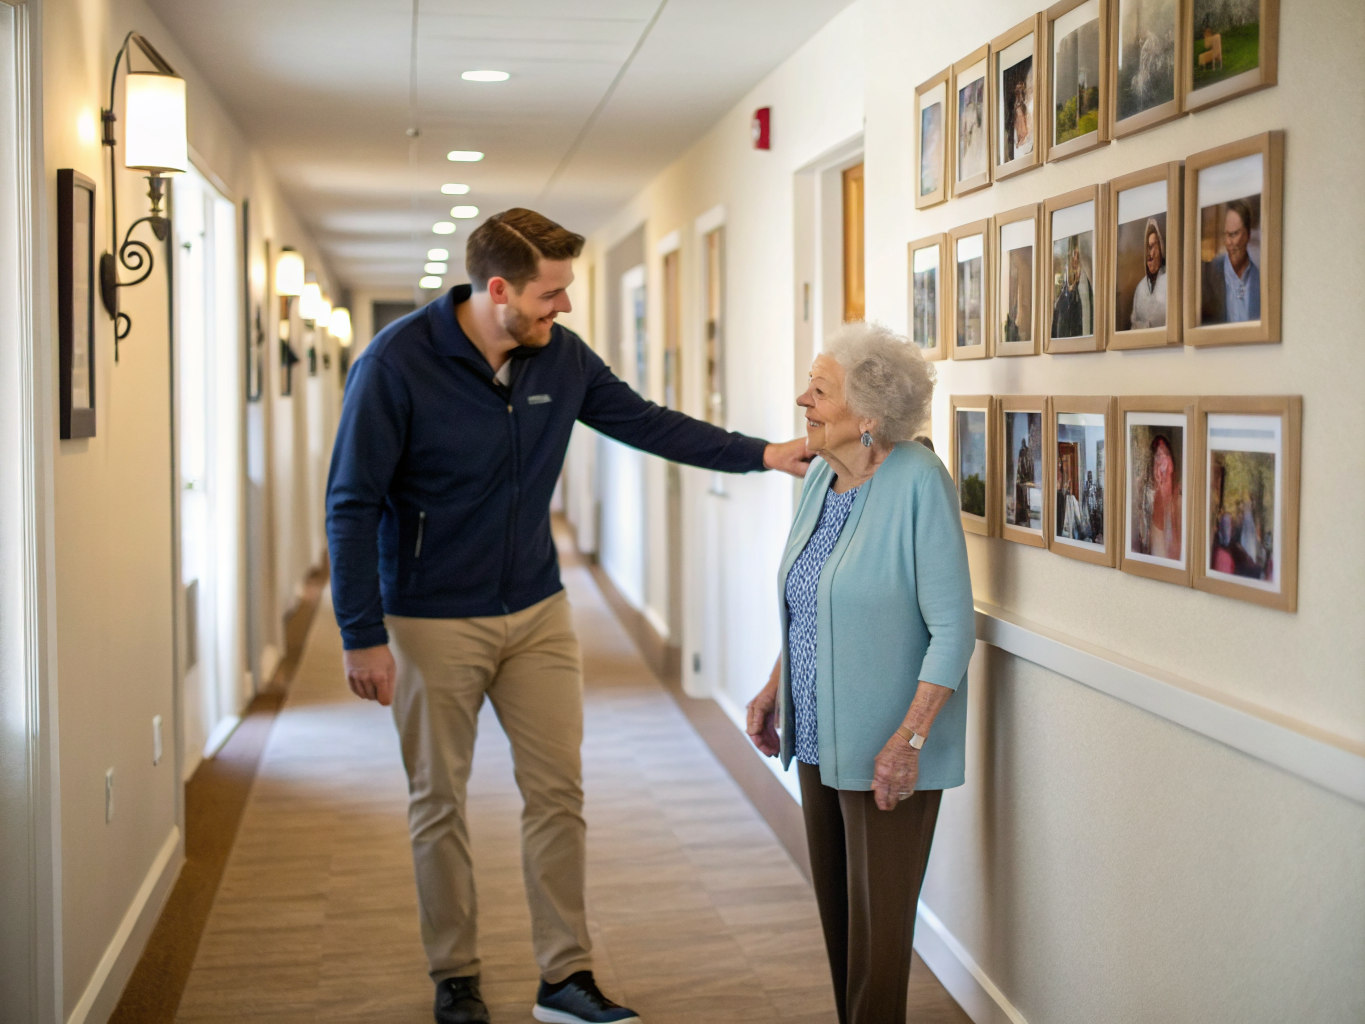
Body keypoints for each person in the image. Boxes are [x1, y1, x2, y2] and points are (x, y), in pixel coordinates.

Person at [326, 208, 811, 1024]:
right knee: (437, 801)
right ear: (498, 289)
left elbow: (646, 421)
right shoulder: (395, 365)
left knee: (558, 794)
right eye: (552, 293)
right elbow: (352, 502)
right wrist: (361, 633)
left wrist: (761, 453)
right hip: (430, 618)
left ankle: (564, 976)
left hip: (539, 611)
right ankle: (456, 977)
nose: (566, 308)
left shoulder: (560, 356)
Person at [743, 321, 976, 1024]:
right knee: (842, 923)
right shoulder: (821, 477)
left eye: (818, 391)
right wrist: (773, 687)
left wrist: (906, 742)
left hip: (885, 749)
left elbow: (952, 631)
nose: (800, 401)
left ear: (868, 415)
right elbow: (813, 599)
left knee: (879, 942)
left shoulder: (917, 483)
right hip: (814, 736)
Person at [1201, 198, 1260, 324]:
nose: (1229, 242)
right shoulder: (1208, 275)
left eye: (1234, 234)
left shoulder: (1260, 279)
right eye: (1226, 235)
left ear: (1247, 234)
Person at [1136, 433, 1181, 560]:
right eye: (1157, 457)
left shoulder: (1181, 496)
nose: (1163, 463)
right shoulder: (1147, 501)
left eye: (1166, 454)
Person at [1129, 218, 1167, 329]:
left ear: (1161, 249)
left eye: (1153, 246)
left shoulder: (1170, 282)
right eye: (1148, 247)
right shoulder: (1140, 288)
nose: (1150, 254)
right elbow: (1133, 325)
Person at [1051, 240, 1093, 338]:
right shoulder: (1064, 299)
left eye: (1077, 258)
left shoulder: (1087, 294)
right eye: (1073, 258)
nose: (1074, 263)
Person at [1013, 437, 1033, 527]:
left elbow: (1025, 466)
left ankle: (1024, 516)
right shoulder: (1023, 452)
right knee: (1022, 499)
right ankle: (1022, 516)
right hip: (1022, 481)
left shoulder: (1026, 453)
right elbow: (1021, 465)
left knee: (1024, 499)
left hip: (1024, 481)